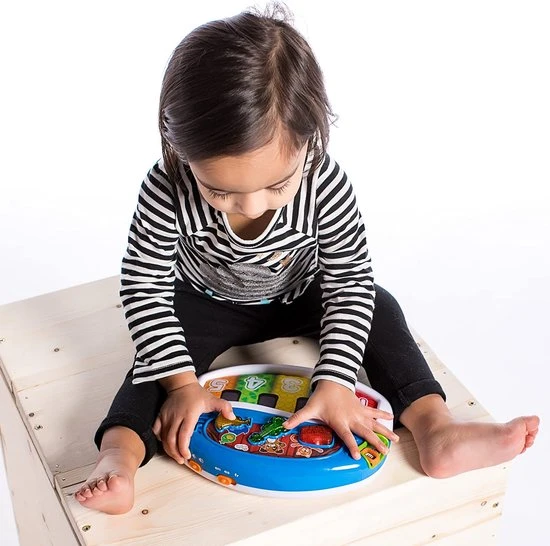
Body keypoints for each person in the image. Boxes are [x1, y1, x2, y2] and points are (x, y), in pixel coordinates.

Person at [74, 4, 539, 515]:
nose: (252, 206)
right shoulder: (165, 189)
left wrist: (336, 382)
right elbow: (144, 288)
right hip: (203, 301)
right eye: (219, 191)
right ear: (178, 148)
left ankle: (435, 428)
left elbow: (349, 283)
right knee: (152, 365)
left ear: (309, 139)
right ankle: (118, 456)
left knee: (378, 305)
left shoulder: (326, 184)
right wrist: (182, 386)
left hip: (301, 292)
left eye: (276, 185)